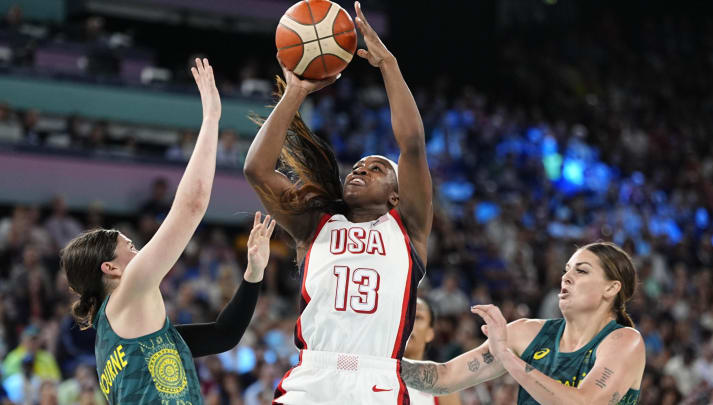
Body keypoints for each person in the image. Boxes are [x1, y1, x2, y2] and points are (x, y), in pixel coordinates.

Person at [243, 2, 432, 403]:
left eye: (376, 168)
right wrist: (295, 91)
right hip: (312, 376)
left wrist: (389, 66)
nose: (359, 171)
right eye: (357, 167)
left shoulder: (408, 227)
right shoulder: (316, 225)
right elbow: (257, 170)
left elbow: (412, 145)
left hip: (376, 378)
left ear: (396, 196)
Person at [60, 58, 276, 404]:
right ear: (110, 268)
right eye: (129, 246)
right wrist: (211, 120)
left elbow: (224, 335)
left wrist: (253, 274)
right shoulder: (127, 291)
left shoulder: (131, 335)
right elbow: (190, 207)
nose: (140, 250)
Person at [401, 242, 645, 405]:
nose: (566, 277)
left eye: (581, 271)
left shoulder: (624, 341)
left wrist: (507, 357)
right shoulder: (526, 332)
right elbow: (444, 377)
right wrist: (377, 363)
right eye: (566, 270)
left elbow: (585, 403)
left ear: (611, 288)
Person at [404, 298, 461, 405]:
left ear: (430, 334)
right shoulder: (369, 372)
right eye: (403, 314)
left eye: (417, 317)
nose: (408, 321)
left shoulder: (443, 385)